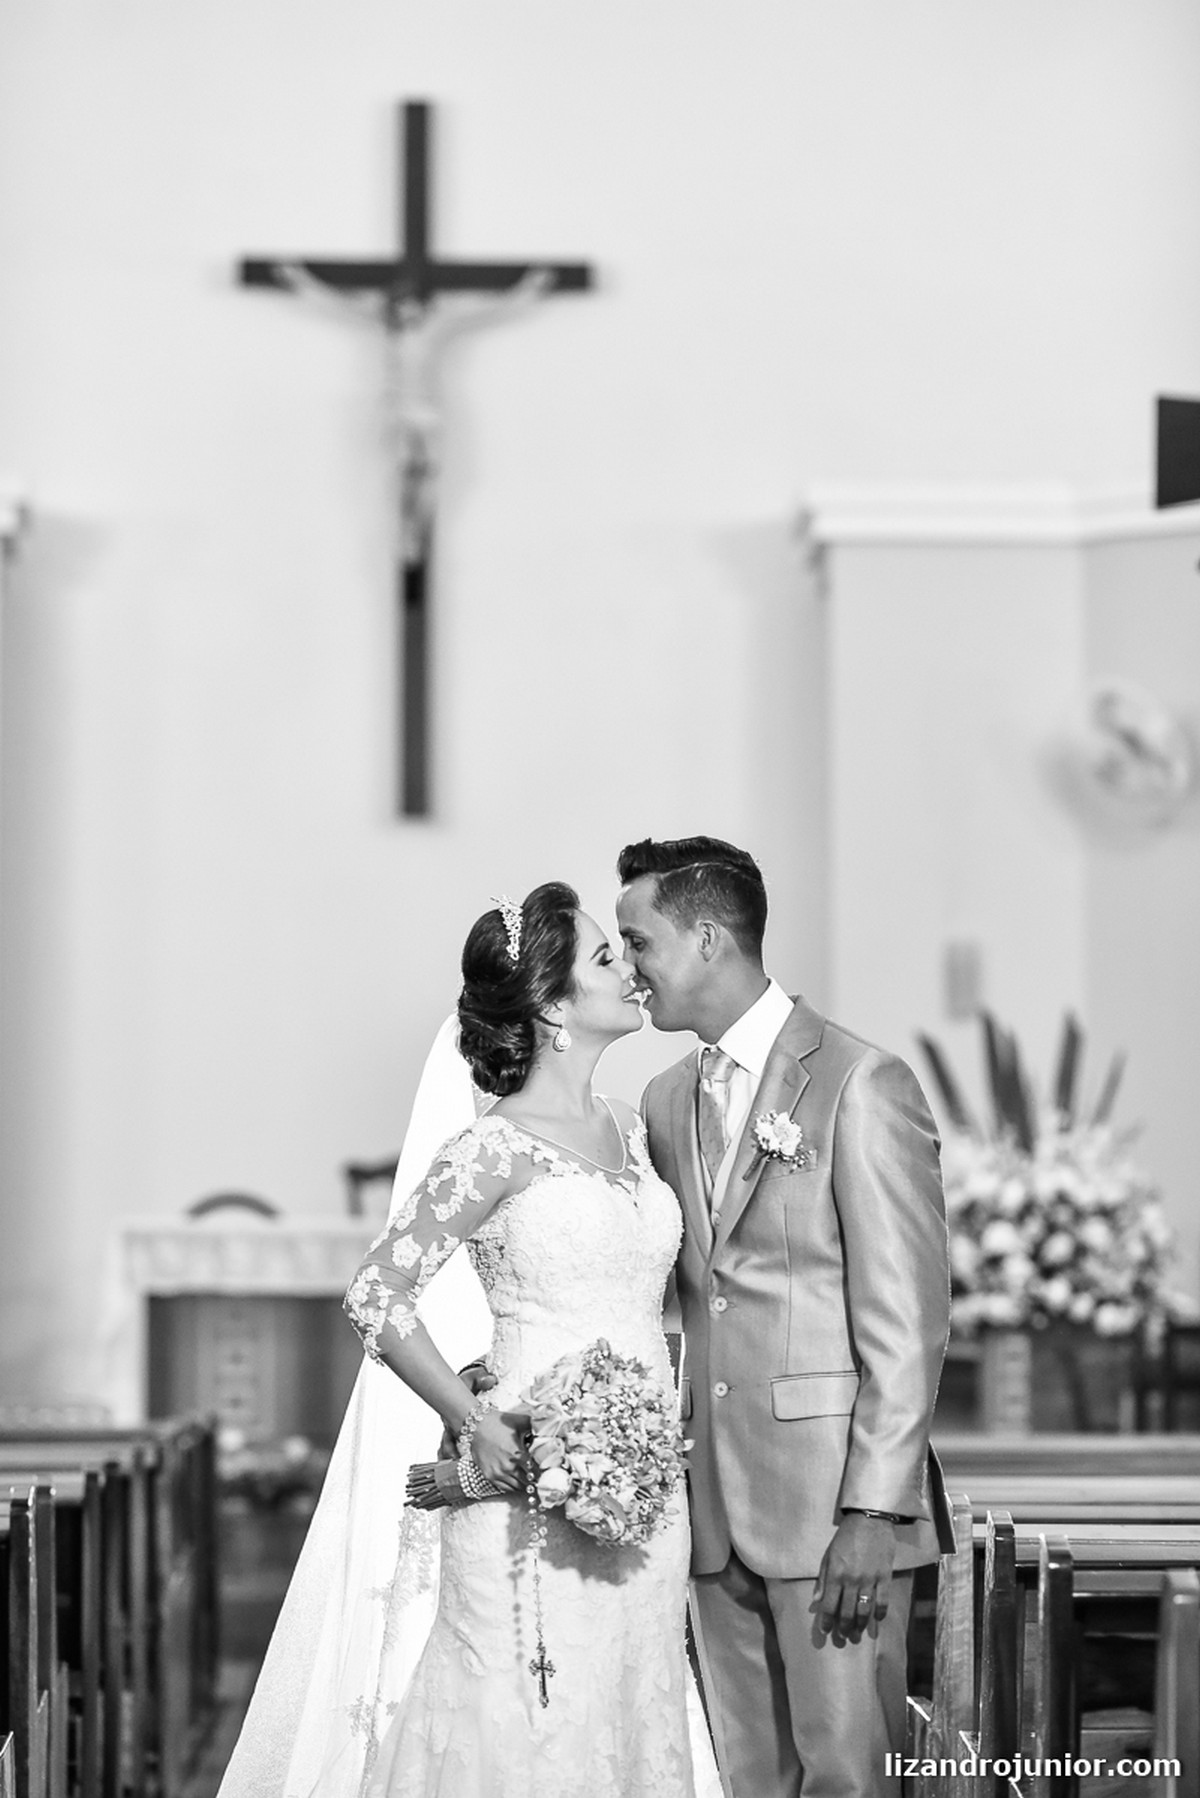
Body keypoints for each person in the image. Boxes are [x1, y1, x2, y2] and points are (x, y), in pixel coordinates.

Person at [217, 881, 721, 1798]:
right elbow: (377, 1293)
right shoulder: (493, 1150)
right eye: (607, 957)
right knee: (523, 1719)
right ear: (554, 1007)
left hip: (645, 1491)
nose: (631, 971)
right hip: (524, 1481)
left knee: (631, 1705)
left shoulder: (635, 1134)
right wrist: (471, 1414)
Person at [615, 836, 954, 1798]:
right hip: (710, 1511)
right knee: (749, 1778)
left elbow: (908, 1320)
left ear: (709, 938)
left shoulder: (859, 1081)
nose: (631, 971)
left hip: (830, 1507)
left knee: (850, 1776)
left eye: (640, 943)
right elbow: (681, 1294)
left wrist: (871, 1511)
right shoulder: (664, 1097)